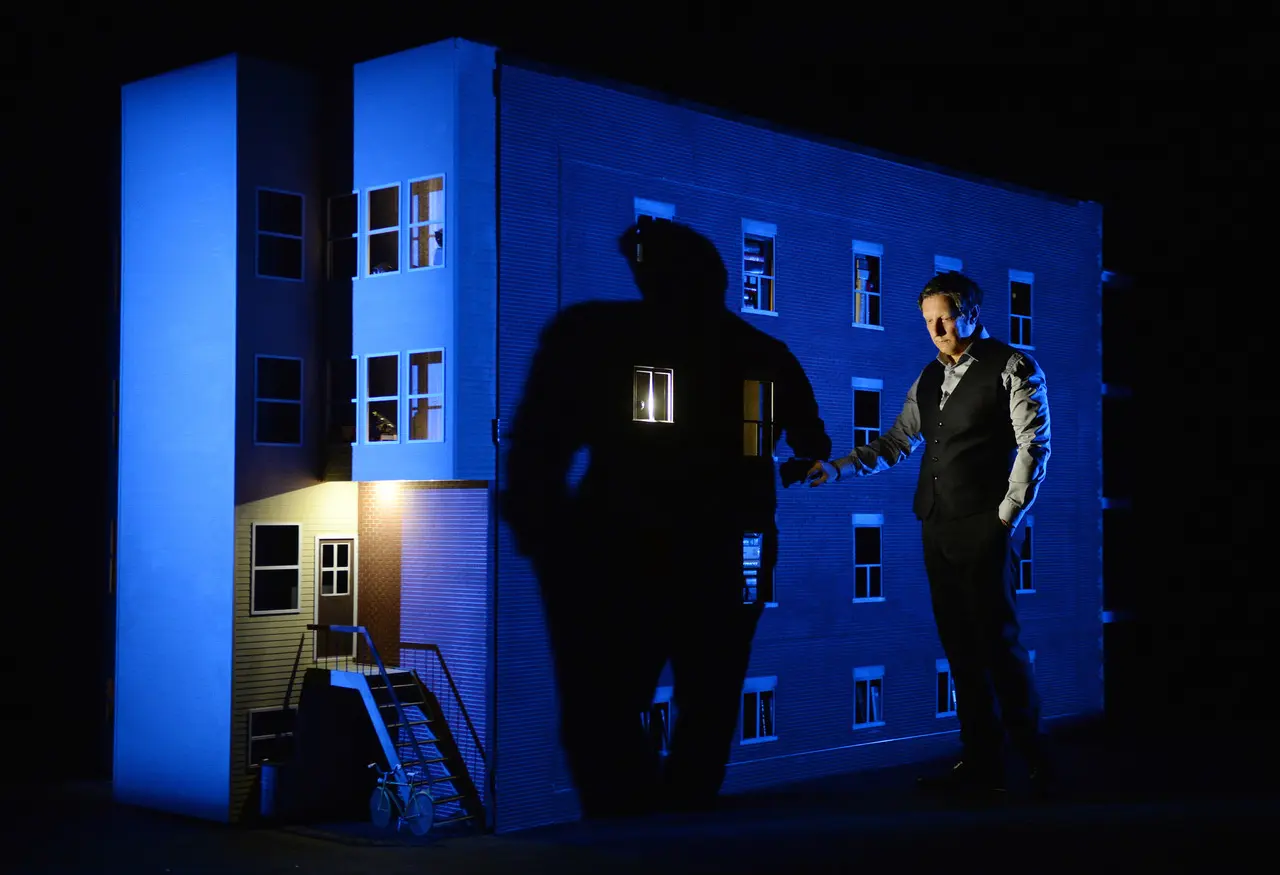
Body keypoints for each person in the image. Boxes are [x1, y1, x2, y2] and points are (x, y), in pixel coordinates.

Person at [501, 217, 831, 817]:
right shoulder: (765, 354)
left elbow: (538, 445)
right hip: (735, 545)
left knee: (607, 699)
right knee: (711, 693)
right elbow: (812, 443)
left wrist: (544, 533)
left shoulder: (597, 334)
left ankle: (633, 822)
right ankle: (677, 817)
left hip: (632, 540)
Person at [806, 270, 1053, 796]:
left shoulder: (1013, 366)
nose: (936, 329)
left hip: (985, 526)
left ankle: (1036, 760)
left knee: (998, 645)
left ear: (972, 314)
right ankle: (981, 763)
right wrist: (838, 468)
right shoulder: (928, 377)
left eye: (945, 318)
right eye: (928, 320)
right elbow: (898, 441)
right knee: (959, 648)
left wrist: (1006, 518)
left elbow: (1034, 445)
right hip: (937, 526)